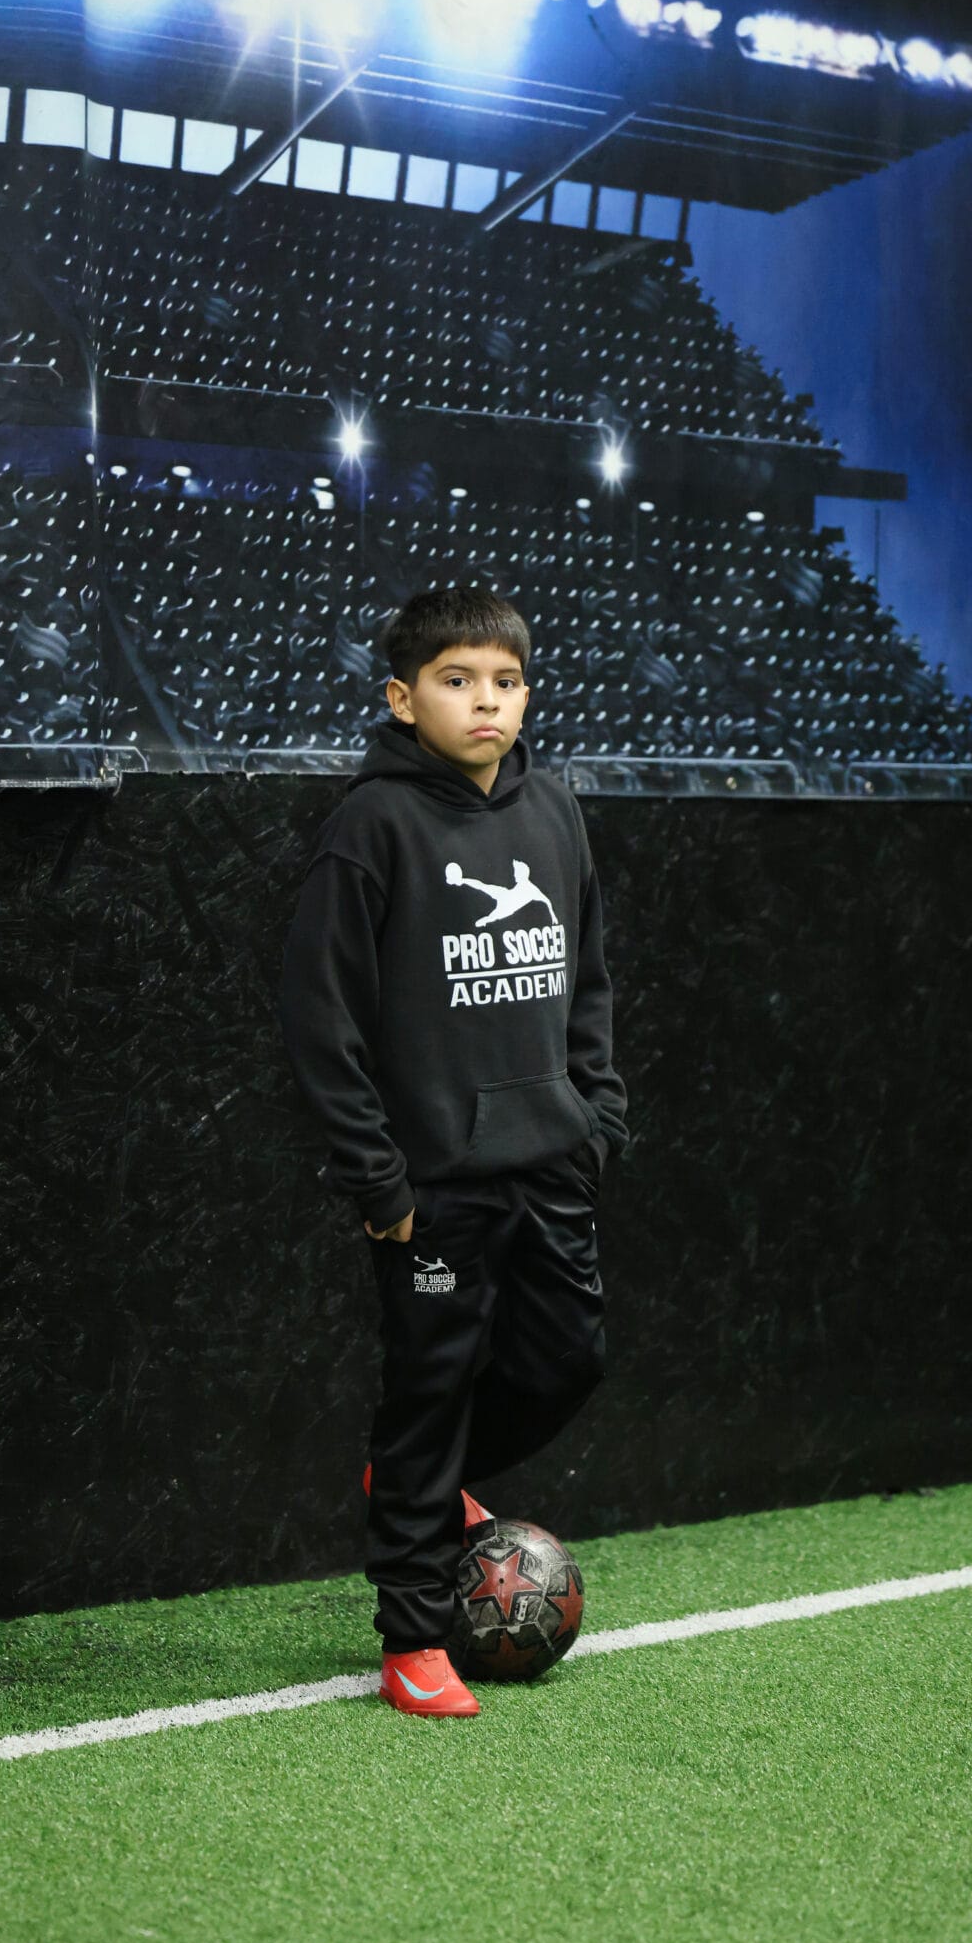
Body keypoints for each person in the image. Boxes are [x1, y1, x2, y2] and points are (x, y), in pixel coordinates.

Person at [278, 583, 628, 1718]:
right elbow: (320, 1020)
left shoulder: (555, 810)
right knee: (429, 1394)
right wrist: (379, 1183)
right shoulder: (369, 827)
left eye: (506, 681)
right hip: (431, 1186)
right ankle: (412, 1638)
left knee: (567, 1357)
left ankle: (410, 1488)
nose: (486, 701)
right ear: (403, 695)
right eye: (457, 680)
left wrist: (597, 1117)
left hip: (549, 1159)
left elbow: (587, 980)